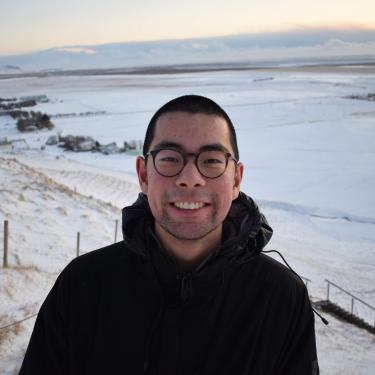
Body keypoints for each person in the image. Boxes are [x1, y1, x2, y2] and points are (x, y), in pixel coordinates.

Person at [20, 95, 319, 374]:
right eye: (169, 158)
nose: (190, 179)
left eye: (212, 160)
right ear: (143, 174)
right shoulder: (83, 286)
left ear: (236, 179)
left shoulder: (281, 298)